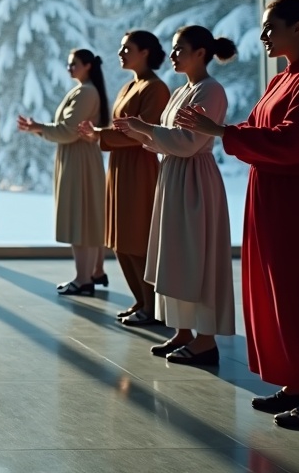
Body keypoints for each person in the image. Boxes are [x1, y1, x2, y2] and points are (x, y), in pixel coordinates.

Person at [177, 0, 299, 429]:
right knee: (278, 295)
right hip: (276, 196)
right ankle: (297, 381)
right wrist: (227, 131)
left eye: (270, 27)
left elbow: (294, 143)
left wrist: (221, 131)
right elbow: (264, 129)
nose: (263, 35)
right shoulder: (286, 77)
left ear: (298, 28)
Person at [116, 26, 236, 366]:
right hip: (175, 177)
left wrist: (144, 129)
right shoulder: (185, 90)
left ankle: (205, 340)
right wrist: (147, 136)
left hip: (195, 180)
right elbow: (170, 140)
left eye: (180, 48)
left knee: (195, 256)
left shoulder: (211, 91)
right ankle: (183, 331)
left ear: (201, 53)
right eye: (172, 48)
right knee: (176, 255)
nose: (173, 54)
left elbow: (188, 142)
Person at [78, 32, 170, 326]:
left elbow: (143, 132)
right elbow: (122, 129)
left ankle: (152, 304)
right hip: (119, 166)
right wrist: (102, 135)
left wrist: (100, 135)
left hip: (139, 168)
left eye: (126, 48)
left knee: (137, 237)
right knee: (119, 238)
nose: (120, 52)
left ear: (144, 52)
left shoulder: (156, 88)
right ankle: (141, 300)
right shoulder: (130, 85)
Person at [17, 49, 107, 296]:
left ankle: (83, 279)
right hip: (78, 157)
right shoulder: (84, 90)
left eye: (74, 64)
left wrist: (37, 127)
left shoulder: (86, 92)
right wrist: (39, 129)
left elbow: (69, 130)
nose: (69, 68)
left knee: (81, 219)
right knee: (87, 217)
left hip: (79, 159)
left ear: (87, 65)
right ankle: (95, 271)